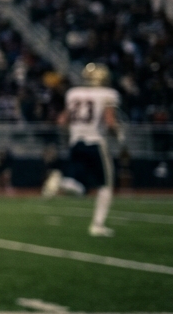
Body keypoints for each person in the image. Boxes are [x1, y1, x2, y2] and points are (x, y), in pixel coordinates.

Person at [42, 63, 122, 236]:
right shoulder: (108, 94)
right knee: (105, 185)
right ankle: (97, 225)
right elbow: (109, 122)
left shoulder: (73, 93)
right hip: (95, 142)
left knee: (79, 186)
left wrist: (70, 136)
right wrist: (119, 135)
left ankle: (61, 181)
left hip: (76, 142)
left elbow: (62, 120)